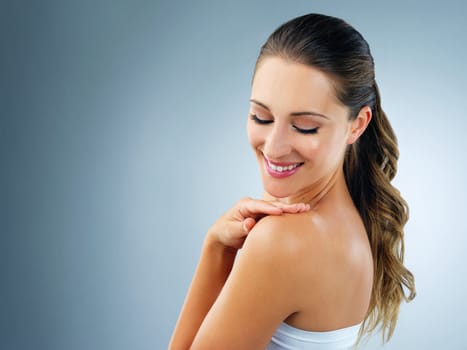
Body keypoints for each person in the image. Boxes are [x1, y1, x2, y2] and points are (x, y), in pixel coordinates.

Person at [169, 13, 416, 349]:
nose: (273, 147)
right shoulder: (351, 224)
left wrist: (215, 250)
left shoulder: (284, 241)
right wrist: (219, 245)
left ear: (356, 125)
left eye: (304, 127)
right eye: (262, 117)